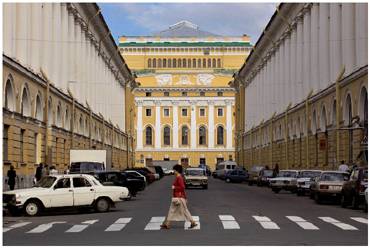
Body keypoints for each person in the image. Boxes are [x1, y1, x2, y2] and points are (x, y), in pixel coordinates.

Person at [160, 164, 197, 229]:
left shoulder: (179, 177)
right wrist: (185, 197)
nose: (173, 172)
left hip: (178, 198)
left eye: (174, 170)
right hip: (178, 197)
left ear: (177, 170)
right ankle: (166, 224)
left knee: (180, 211)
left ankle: (167, 224)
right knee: (174, 210)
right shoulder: (178, 177)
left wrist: (174, 187)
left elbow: (182, 187)